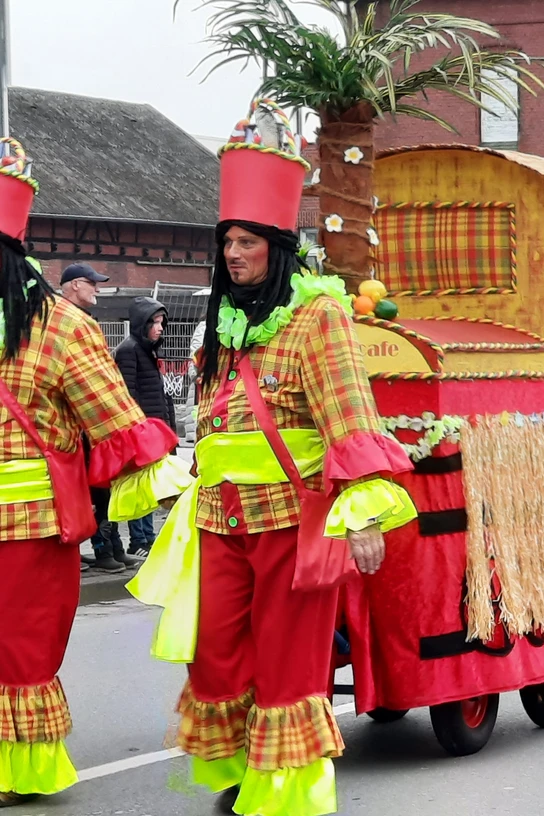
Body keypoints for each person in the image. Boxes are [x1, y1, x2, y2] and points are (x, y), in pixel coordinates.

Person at [128, 101, 417, 816]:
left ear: (277, 248)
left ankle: (285, 795)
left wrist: (363, 515)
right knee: (215, 654)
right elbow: (210, 417)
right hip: (218, 518)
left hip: (292, 519)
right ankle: (236, 768)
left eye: (248, 242)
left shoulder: (320, 315)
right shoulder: (223, 321)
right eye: (227, 241)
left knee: (289, 663)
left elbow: (351, 416)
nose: (234, 253)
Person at [0, 139, 189, 807]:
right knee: (17, 646)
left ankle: (14, 767)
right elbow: (116, 423)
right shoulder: (61, 326)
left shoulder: (58, 326)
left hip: (28, 522)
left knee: (16, 646)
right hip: (28, 522)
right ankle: (15, 766)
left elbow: (116, 423)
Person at [58, 263, 136, 574]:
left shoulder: (80, 320)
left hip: (88, 431)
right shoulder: (64, 323)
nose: (98, 289)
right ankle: (95, 550)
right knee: (85, 494)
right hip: (76, 431)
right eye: (92, 283)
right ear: (75, 285)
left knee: (101, 492)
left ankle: (108, 547)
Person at [114, 297, 177, 556]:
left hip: (155, 429)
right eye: (155, 323)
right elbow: (129, 393)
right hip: (142, 431)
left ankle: (147, 537)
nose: (160, 328)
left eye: (162, 323)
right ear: (143, 324)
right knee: (140, 485)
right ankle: (138, 539)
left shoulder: (149, 350)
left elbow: (160, 394)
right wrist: (138, 430)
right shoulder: (129, 350)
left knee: (151, 485)